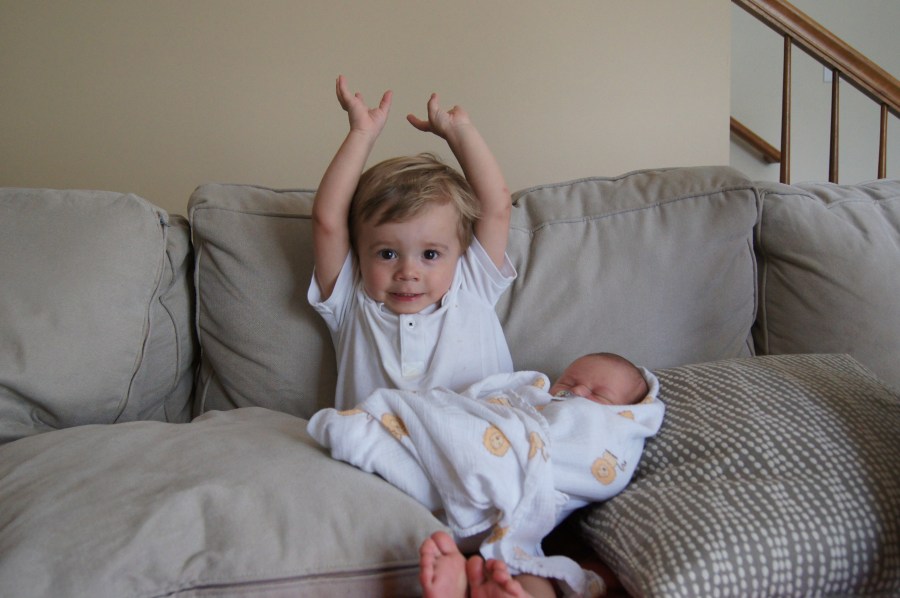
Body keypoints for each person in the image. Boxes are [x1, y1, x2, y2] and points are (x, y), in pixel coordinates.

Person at [308, 352, 665, 597]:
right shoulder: (529, 398)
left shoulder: (609, 436)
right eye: (570, 382)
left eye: (598, 394)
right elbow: (474, 411)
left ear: (625, 415)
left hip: (525, 513)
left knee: (544, 574)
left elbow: (599, 467)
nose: (577, 393)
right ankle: (472, 585)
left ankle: (491, 590)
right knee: (431, 441)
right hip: (484, 478)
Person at [309, 75, 516, 409]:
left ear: (460, 250)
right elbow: (327, 221)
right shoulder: (350, 298)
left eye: (430, 254)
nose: (408, 272)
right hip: (377, 438)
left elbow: (497, 208)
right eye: (387, 253)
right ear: (358, 251)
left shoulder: (471, 284)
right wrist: (361, 134)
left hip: (479, 433)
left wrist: (460, 132)